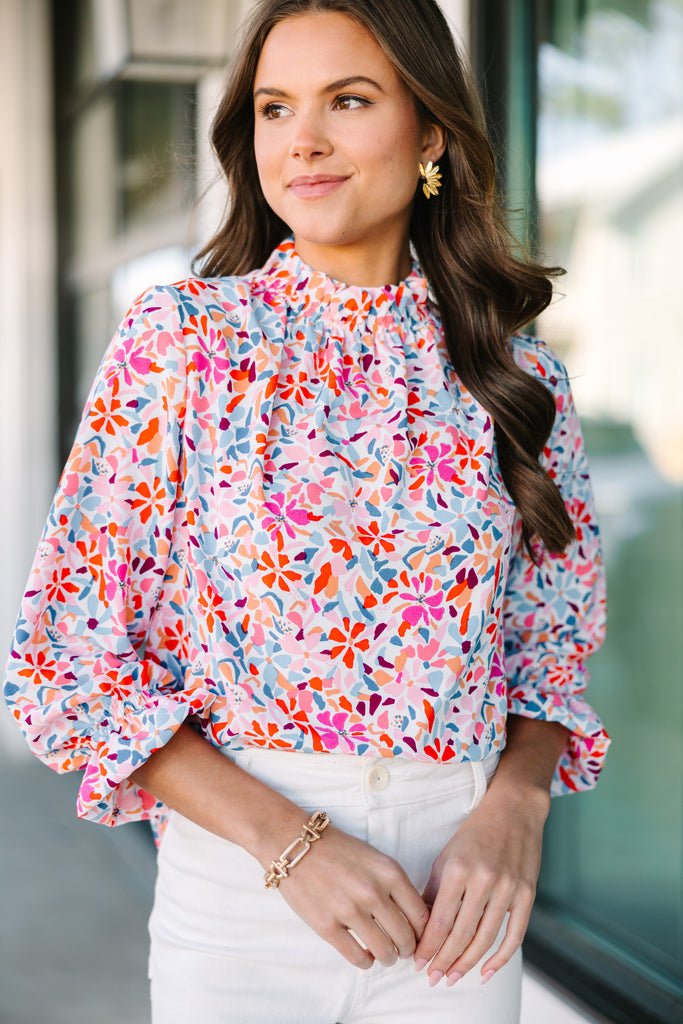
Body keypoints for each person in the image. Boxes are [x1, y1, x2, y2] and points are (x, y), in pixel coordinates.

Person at [3, 1, 612, 1021]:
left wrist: (516, 802)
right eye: (275, 108)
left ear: (429, 133)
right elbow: (64, 658)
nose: (303, 141)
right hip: (243, 906)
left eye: (348, 100)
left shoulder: (516, 380)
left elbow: (545, 647)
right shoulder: (184, 343)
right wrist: (290, 842)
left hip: (458, 904)